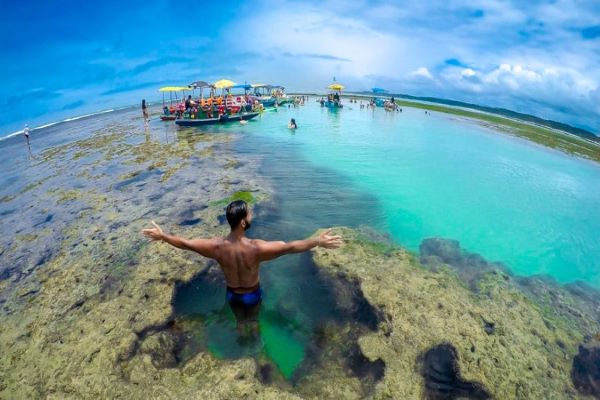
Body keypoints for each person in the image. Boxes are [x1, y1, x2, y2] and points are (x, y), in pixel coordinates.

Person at [142, 200, 342, 332]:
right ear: (243, 223)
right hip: (252, 294)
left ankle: (240, 333)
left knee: (239, 322)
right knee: (253, 321)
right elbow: (289, 247)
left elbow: (185, 243)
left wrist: (162, 236)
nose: (252, 216)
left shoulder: (216, 247)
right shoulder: (256, 248)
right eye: (250, 214)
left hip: (232, 295)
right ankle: (252, 340)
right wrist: (317, 241)